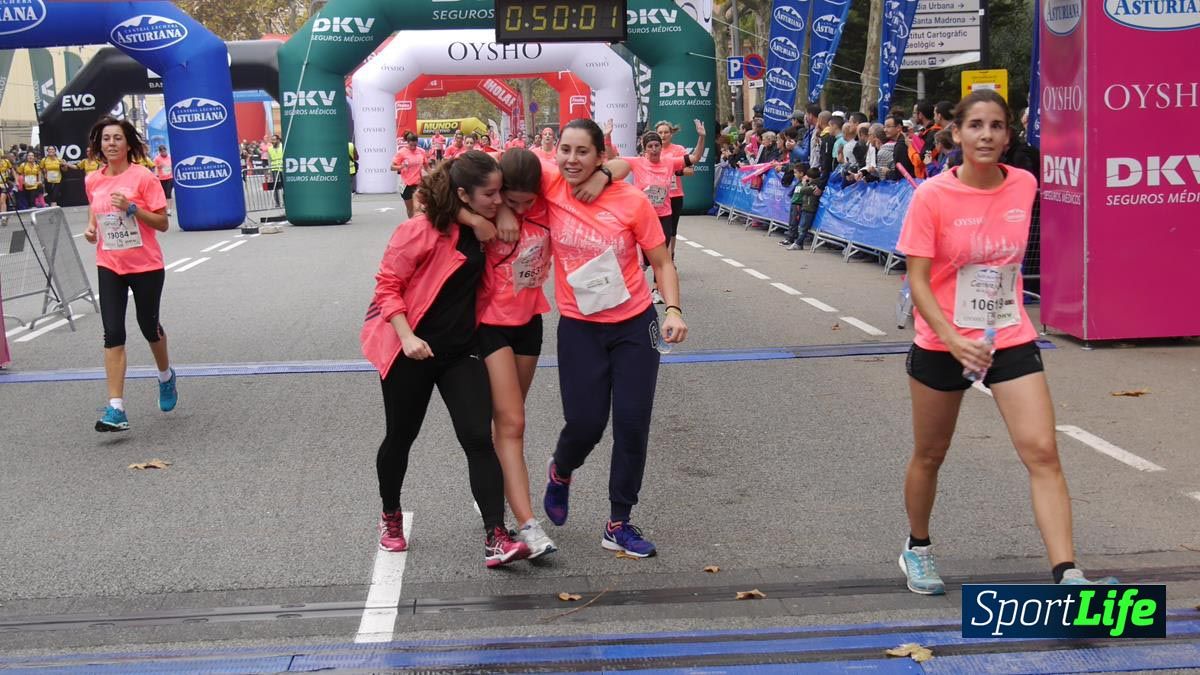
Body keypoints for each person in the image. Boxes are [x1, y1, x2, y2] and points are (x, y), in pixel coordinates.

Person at [895, 90, 1116, 594]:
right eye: (975, 125)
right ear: (956, 133)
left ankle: (1068, 574)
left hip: (1008, 334)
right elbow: (918, 281)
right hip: (943, 340)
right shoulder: (932, 196)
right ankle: (918, 547)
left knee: (1042, 451)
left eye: (996, 126)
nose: (986, 135)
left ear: (1008, 135)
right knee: (930, 453)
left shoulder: (1023, 184)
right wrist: (952, 338)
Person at [361, 150, 532, 567]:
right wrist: (407, 336)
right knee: (400, 437)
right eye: (490, 194)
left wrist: (491, 214)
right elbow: (387, 287)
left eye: (500, 193)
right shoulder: (416, 231)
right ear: (463, 195)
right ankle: (390, 514)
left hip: (460, 350)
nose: (499, 200)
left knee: (477, 438)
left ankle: (495, 535)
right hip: (411, 350)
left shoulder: (480, 226)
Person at [536, 119, 688, 558]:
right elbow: (495, 173)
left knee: (632, 423)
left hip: (634, 324)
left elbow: (661, 262)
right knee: (585, 423)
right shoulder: (549, 185)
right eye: (565, 149)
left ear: (600, 156)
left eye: (583, 152)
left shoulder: (631, 201)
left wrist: (673, 309)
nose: (571, 159)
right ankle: (562, 469)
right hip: (579, 327)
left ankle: (619, 521)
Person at [80, 117, 175, 432]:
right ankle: (116, 408)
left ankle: (165, 376)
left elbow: (162, 223)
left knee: (149, 327)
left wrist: (133, 208)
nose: (111, 143)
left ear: (128, 143)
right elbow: (95, 210)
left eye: (117, 138)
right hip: (110, 264)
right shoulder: (93, 180)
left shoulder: (143, 177)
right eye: (106, 138)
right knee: (112, 332)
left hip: (145, 264)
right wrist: (91, 229)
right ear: (99, 144)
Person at [605, 120, 705, 304]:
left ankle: (656, 289)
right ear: (644, 149)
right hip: (643, 215)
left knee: (660, 256)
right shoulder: (637, 162)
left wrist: (701, 137)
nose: (654, 149)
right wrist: (607, 136)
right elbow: (612, 159)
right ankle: (630, 281)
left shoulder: (670, 162)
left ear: (660, 147)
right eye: (650, 146)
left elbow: (695, 158)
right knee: (643, 258)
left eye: (656, 146)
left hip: (664, 215)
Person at [656, 119, 704, 261]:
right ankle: (659, 257)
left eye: (666, 132)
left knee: (671, 230)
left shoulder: (678, 150)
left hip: (674, 195)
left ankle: (670, 257)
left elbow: (690, 171)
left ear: (671, 134)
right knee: (658, 229)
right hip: (657, 196)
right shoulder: (653, 150)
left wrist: (673, 171)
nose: (663, 135)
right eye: (660, 132)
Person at [781, 167, 820, 249]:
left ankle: (798, 243)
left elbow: (802, 190)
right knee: (801, 227)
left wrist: (804, 183)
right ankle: (798, 243)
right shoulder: (811, 185)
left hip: (809, 208)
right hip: (805, 207)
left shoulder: (814, 186)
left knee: (803, 228)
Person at [391, 132, 428, 219]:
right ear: (407, 142)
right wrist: (401, 166)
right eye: (411, 145)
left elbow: (427, 167)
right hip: (406, 184)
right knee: (410, 209)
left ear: (417, 142)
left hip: (419, 184)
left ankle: (420, 223)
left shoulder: (421, 151)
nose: (413, 147)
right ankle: (412, 224)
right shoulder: (401, 152)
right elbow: (392, 167)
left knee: (420, 207)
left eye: (415, 145)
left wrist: (434, 175)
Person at [152, 146, 173, 213]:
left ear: (166, 150)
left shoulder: (170, 157)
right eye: (162, 152)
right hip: (162, 178)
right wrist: (159, 167)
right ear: (160, 152)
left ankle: (169, 209)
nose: (163, 153)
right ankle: (165, 208)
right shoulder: (157, 158)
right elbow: (155, 167)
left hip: (170, 177)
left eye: (164, 151)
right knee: (164, 194)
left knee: (168, 193)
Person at [267, 134, 284, 207]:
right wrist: (269, 171)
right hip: (274, 169)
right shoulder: (269, 149)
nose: (272, 141)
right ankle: (277, 203)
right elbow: (269, 160)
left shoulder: (283, 147)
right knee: (275, 187)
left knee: (284, 186)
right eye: (272, 140)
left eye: (274, 140)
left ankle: (285, 202)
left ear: (278, 140)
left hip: (282, 168)